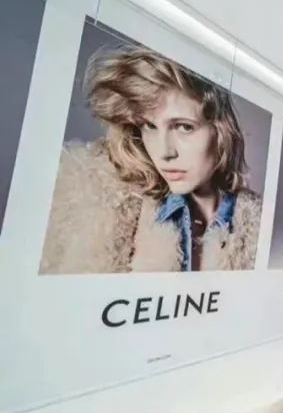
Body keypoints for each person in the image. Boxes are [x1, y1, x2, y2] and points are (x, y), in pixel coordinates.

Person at [40, 45, 262, 274]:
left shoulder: (257, 227)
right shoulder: (104, 210)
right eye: (150, 126)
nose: (164, 152)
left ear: (221, 131)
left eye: (184, 127)